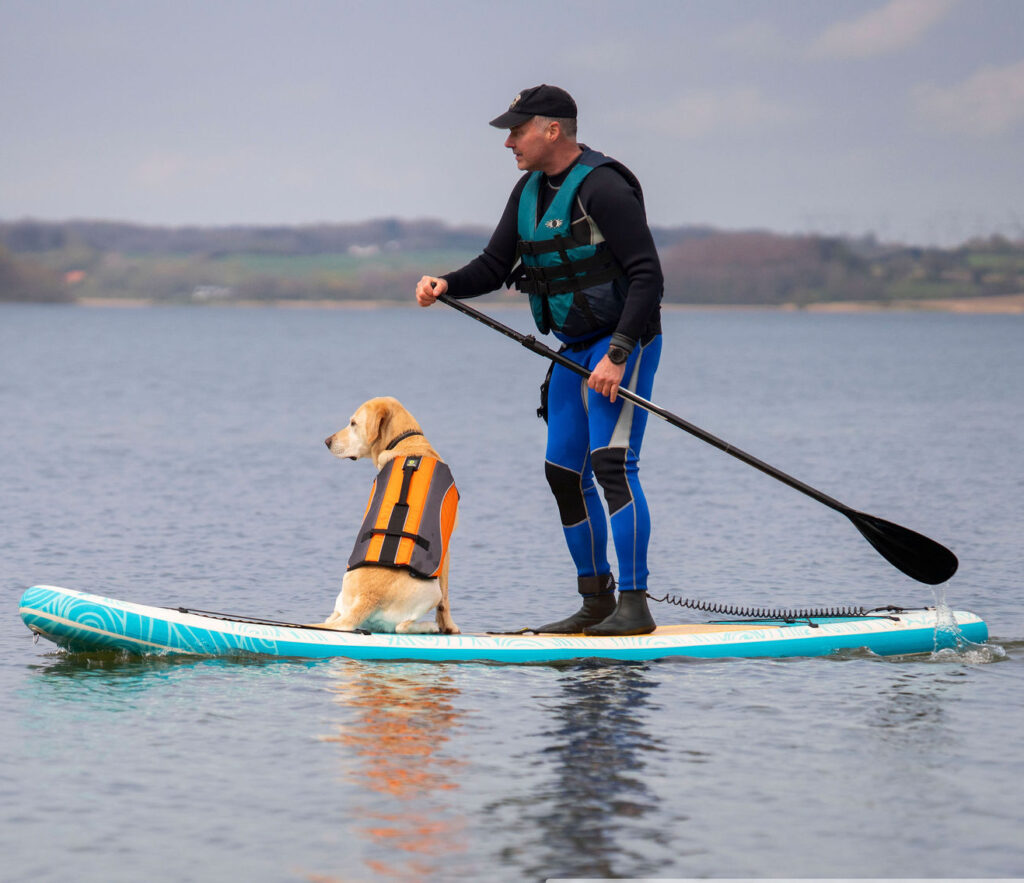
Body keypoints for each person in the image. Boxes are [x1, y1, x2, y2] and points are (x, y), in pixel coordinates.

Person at [415, 84, 664, 636]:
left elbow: (649, 276)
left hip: (624, 345)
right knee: (562, 473)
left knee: (612, 467)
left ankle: (635, 605)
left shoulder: (604, 189)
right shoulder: (526, 193)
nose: (508, 142)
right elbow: (493, 263)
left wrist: (619, 355)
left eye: (516, 129)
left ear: (552, 129)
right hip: (574, 352)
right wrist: (447, 282)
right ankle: (596, 601)